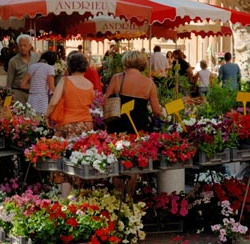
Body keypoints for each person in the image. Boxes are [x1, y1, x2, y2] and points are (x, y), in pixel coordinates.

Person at [103, 50, 162, 197]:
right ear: (142, 64)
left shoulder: (117, 79)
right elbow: (156, 111)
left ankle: (117, 197)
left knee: (116, 161)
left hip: (117, 125)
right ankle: (129, 198)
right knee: (133, 163)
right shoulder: (149, 83)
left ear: (125, 62)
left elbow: (105, 101)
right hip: (138, 128)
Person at [46, 52, 95, 196]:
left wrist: (47, 115)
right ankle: (81, 197)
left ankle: (65, 199)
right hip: (86, 125)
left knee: (66, 162)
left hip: (68, 125)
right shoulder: (89, 84)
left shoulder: (65, 81)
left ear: (69, 66)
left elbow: (54, 101)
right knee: (82, 160)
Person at [7, 34, 39, 105]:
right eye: (20, 45)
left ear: (30, 46)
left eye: (25, 45)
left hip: (33, 93)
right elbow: (9, 81)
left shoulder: (37, 57)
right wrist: (8, 97)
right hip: (18, 93)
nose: (22, 48)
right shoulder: (13, 61)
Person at [21, 50, 56, 115]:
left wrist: (34, 87)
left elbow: (22, 85)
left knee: (30, 118)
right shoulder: (49, 68)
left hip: (31, 98)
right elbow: (51, 87)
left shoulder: (32, 66)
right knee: (40, 120)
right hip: (41, 99)